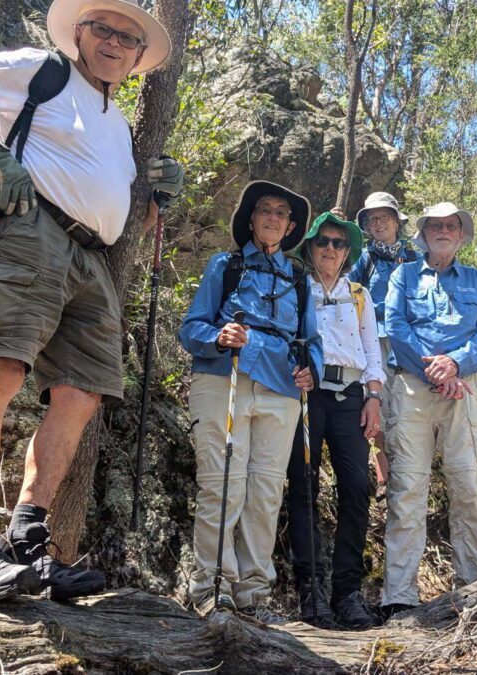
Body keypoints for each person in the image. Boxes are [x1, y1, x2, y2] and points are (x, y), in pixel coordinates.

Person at [0, 0, 182, 602]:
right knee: (0, 366)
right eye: (103, 28)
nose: (114, 42)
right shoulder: (41, 68)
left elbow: (117, 203)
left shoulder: (117, 121)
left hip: (92, 259)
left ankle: (27, 541)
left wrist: (157, 192)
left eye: (128, 38)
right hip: (29, 227)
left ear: (137, 57)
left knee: (80, 394)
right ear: (79, 32)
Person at [179, 181, 322, 621]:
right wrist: (218, 336)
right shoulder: (226, 265)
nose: (273, 217)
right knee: (223, 483)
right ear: (252, 217)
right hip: (227, 377)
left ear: (291, 226)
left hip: (281, 388)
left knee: (264, 491)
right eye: (265, 209)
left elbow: (312, 341)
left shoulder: (299, 277)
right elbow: (191, 328)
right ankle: (212, 586)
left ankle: (254, 594)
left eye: (282, 212)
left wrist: (311, 370)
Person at [381, 202, 477, 620]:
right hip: (412, 388)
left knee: (467, 486)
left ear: (462, 235)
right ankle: (399, 597)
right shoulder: (404, 274)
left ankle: (475, 587)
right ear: (424, 233)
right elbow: (395, 326)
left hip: (464, 389)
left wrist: (456, 364)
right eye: (436, 226)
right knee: (408, 490)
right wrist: (435, 368)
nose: (444, 231)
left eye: (452, 226)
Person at [286, 211, 384, 630]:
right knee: (304, 486)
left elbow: (372, 350)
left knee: (357, 488)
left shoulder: (360, 294)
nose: (330, 249)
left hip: (351, 398)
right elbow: (285, 338)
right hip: (308, 396)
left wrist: (375, 396)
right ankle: (310, 590)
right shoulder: (297, 290)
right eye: (323, 241)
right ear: (310, 246)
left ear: (348, 252)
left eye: (338, 243)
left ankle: (347, 592)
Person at [347, 192, 418, 485]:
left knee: (407, 408)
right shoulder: (364, 259)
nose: (378, 223)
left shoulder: (414, 258)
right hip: (375, 339)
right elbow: (349, 292)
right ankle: (383, 473)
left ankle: (408, 472)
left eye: (384, 217)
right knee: (377, 401)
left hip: (409, 342)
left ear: (396, 222)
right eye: (372, 218)